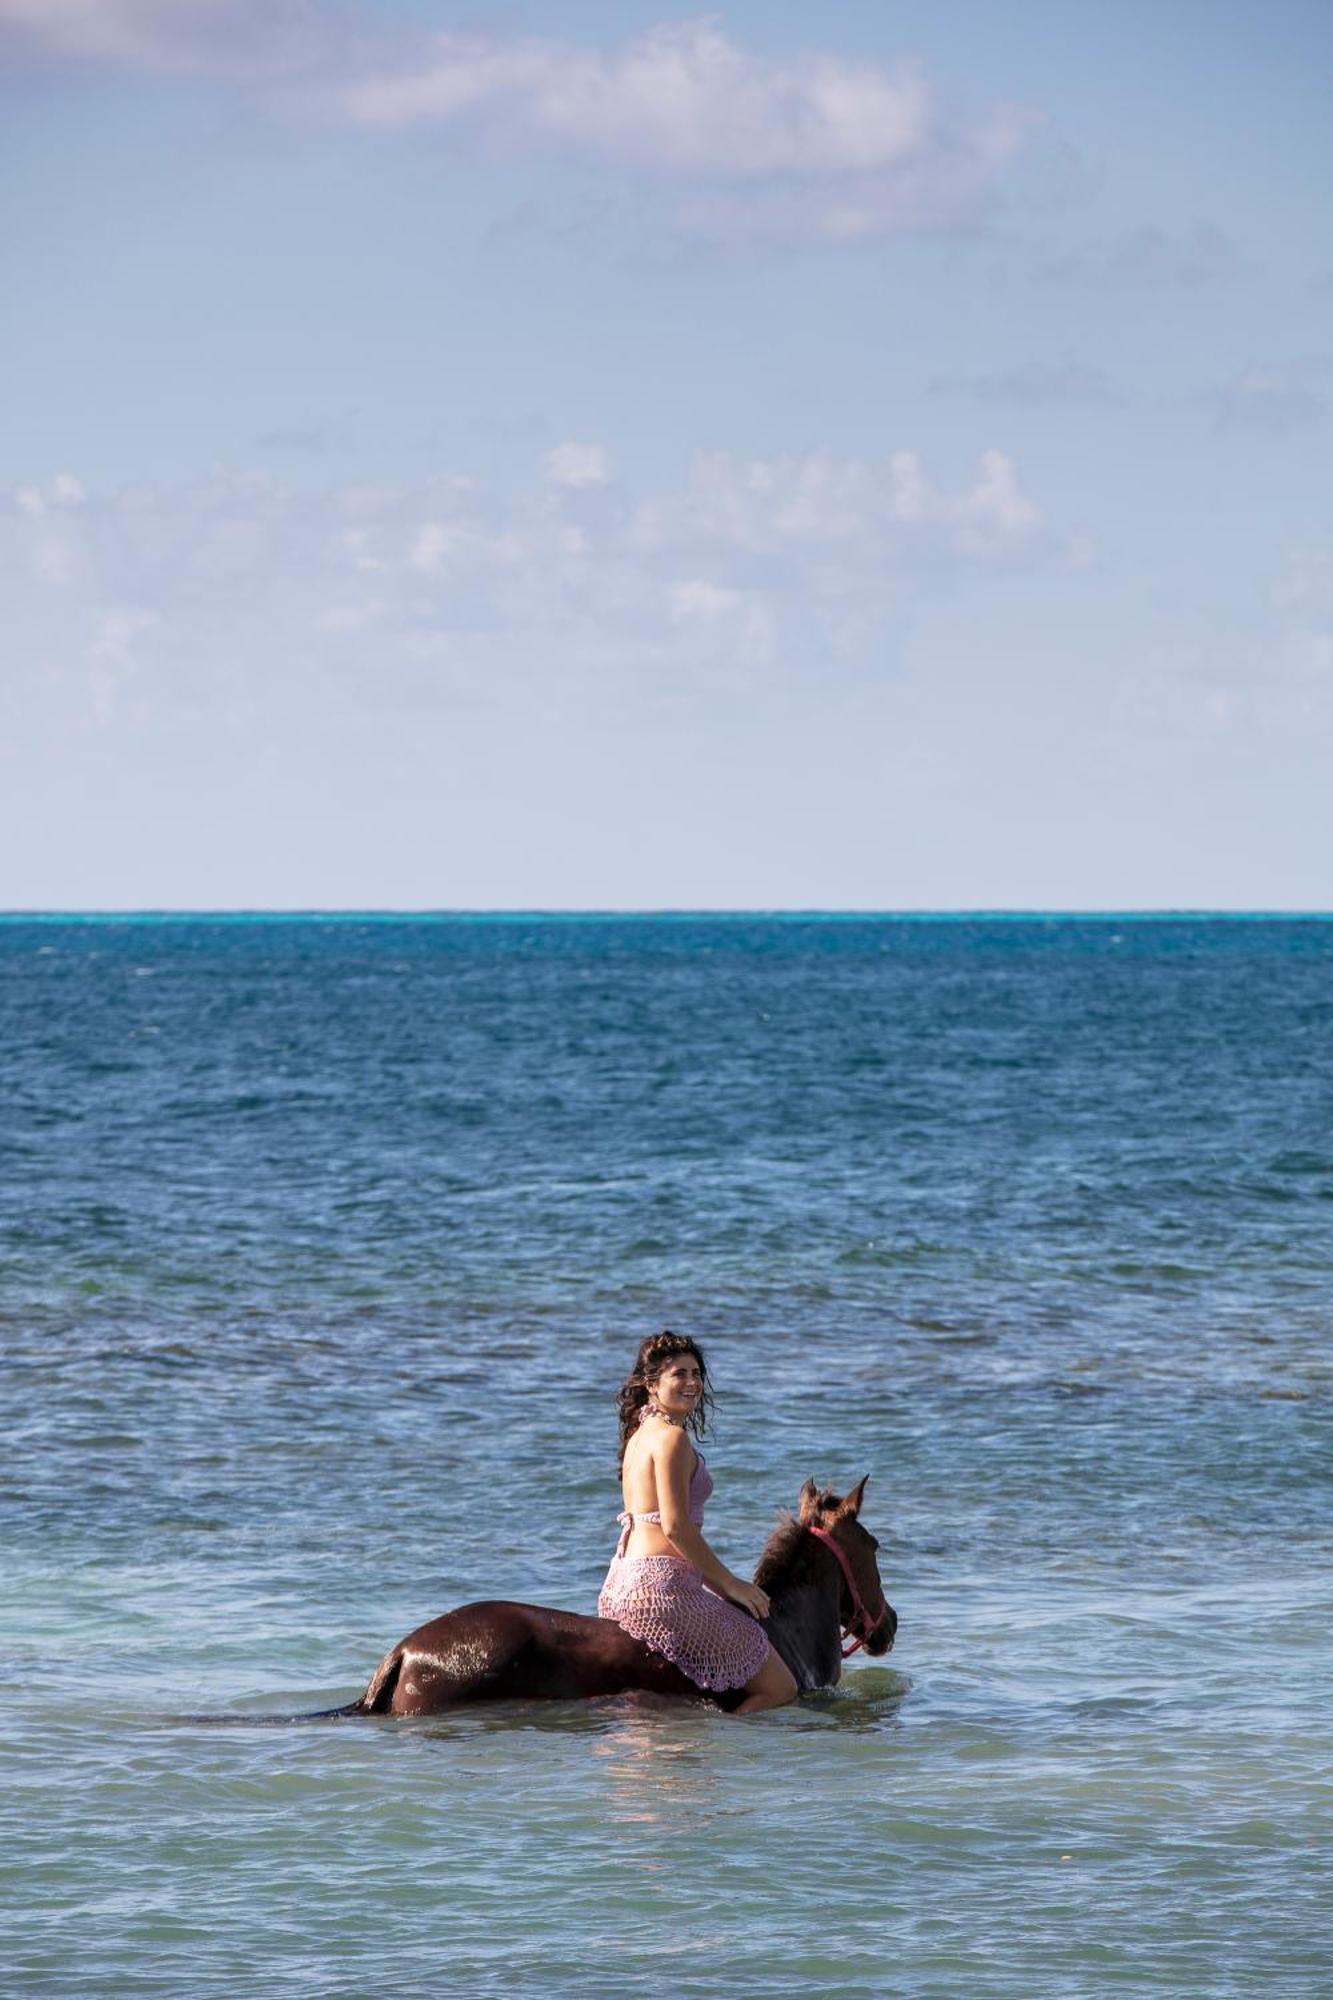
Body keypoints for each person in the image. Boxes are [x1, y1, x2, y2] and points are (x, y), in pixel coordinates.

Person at [597, 1331, 798, 1714]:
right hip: (663, 1590)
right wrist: (731, 1584)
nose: (691, 1383)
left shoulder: (639, 1435)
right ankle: (721, 1748)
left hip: (620, 1584)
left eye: (696, 1373)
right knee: (781, 1688)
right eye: (679, 1374)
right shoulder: (672, 1439)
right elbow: (675, 1528)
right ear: (651, 1384)